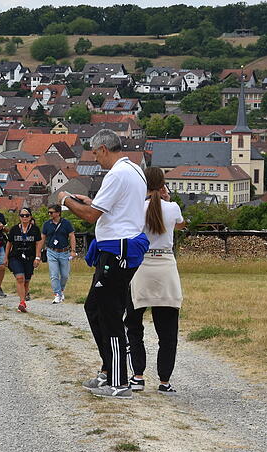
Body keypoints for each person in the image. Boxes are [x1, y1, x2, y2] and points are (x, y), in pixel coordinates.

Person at [58, 129, 149, 400]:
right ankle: (109, 368)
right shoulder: (135, 170)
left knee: (110, 315)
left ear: (104, 149)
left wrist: (66, 200)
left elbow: (89, 216)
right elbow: (111, 207)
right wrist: (90, 201)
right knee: (94, 307)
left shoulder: (116, 174)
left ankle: (120, 382)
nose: (95, 158)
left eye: (95, 153)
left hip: (117, 251)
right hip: (118, 247)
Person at [125, 167, 186, 396]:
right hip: (166, 267)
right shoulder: (172, 208)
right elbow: (179, 224)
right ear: (162, 185)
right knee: (168, 330)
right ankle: (164, 380)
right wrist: (167, 199)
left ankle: (137, 375)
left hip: (141, 267)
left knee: (134, 323)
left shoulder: (136, 208)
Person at [5, 207, 42, 313]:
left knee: (26, 281)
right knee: (20, 278)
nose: (24, 217)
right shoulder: (14, 229)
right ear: (19, 217)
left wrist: (37, 257)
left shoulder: (35, 229)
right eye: (22, 215)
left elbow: (38, 244)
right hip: (16, 257)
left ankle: (24, 300)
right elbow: (9, 243)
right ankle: (21, 302)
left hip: (30, 257)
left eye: (27, 215)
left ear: (30, 217)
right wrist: (5, 257)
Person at [41, 204, 77, 304]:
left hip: (64, 252)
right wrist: (38, 253)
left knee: (65, 275)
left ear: (58, 213)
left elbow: (72, 236)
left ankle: (61, 290)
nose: (49, 214)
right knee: (54, 274)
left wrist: (73, 251)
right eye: (48, 212)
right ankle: (57, 294)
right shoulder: (46, 224)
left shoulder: (66, 223)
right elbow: (42, 238)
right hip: (51, 251)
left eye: (51, 212)